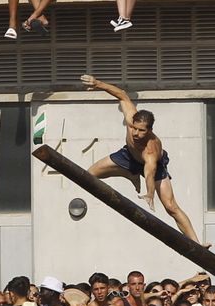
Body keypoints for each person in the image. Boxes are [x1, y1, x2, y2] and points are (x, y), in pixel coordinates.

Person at [81, 74, 201, 243]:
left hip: (154, 167)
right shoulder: (131, 117)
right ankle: (129, 173)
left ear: (150, 130)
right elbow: (121, 94)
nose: (136, 134)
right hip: (128, 155)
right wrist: (97, 83)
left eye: (141, 131)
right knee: (88, 175)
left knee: (171, 207)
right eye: (134, 129)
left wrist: (150, 193)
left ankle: (197, 243)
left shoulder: (151, 150)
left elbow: (150, 173)